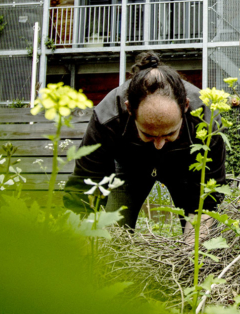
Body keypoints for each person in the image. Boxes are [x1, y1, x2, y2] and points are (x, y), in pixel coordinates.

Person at [64, 52, 226, 231]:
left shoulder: (207, 121)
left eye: (169, 134)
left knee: (198, 243)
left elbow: (208, 198)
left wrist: (193, 252)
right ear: (129, 109)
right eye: (148, 135)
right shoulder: (108, 117)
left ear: (186, 106)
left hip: (186, 170)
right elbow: (85, 184)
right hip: (129, 168)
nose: (159, 144)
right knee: (111, 234)